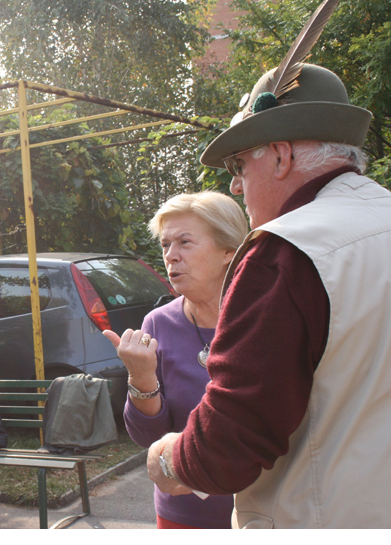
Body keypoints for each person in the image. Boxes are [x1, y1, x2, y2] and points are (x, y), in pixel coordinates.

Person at [147, 54, 391, 527]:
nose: (236, 186)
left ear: (280, 156)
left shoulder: (286, 252)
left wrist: (167, 459)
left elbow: (232, 440)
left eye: (239, 165)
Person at [106, 191, 246, 529]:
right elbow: (147, 437)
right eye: (166, 245)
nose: (171, 256)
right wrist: (141, 378)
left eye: (184, 242)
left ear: (229, 250)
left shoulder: (262, 317)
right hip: (183, 513)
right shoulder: (157, 323)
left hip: (263, 509)